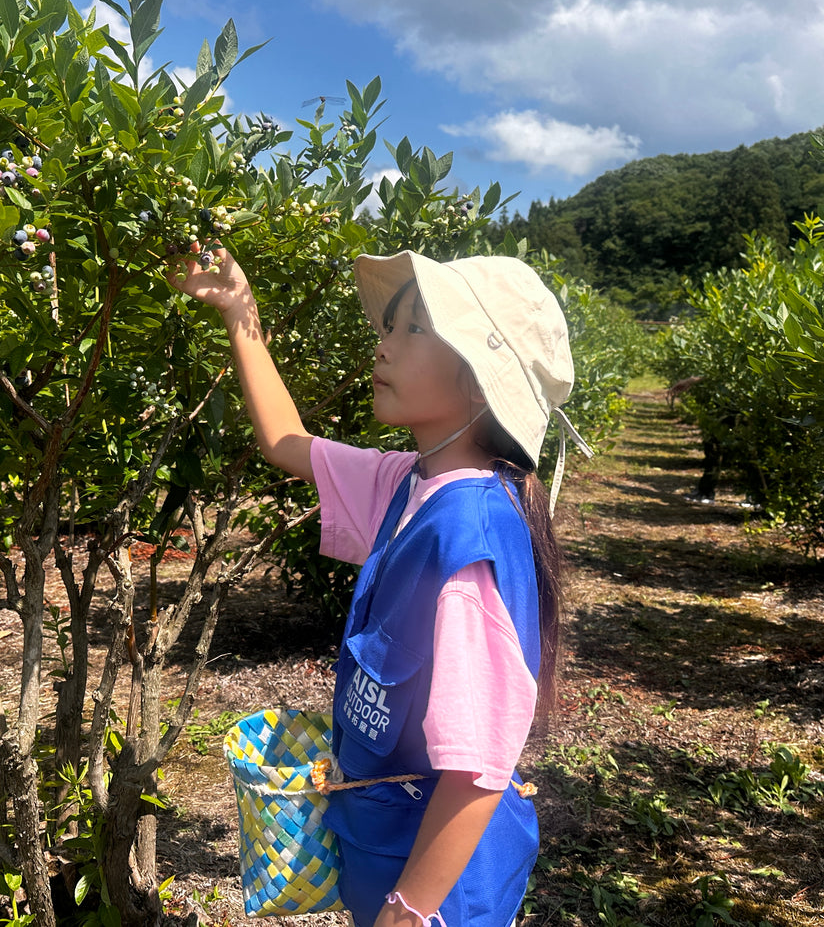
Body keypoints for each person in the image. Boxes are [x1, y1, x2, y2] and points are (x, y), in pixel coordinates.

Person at [172, 243, 589, 927]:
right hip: (388, 868)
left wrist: (408, 910)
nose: (384, 346)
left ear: (482, 378)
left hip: (440, 901)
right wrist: (237, 310)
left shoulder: (465, 541)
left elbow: (478, 767)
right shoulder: (408, 484)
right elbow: (284, 441)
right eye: (390, 326)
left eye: (414, 329)